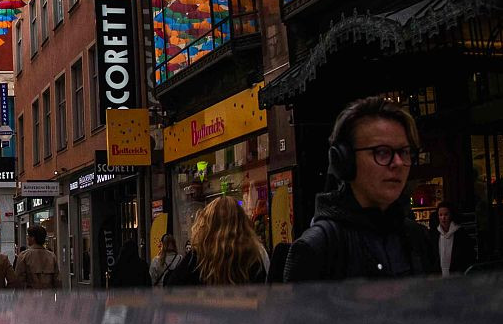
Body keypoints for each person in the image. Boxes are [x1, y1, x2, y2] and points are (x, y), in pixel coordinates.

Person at [285, 96, 440, 282]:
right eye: (382, 152)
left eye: (404, 152)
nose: (398, 163)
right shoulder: (318, 247)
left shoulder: (418, 240)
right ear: (345, 161)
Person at [159, 196, 269, 285]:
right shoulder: (254, 255)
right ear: (243, 223)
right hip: (245, 312)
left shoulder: (198, 256)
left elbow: (173, 285)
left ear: (208, 224)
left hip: (205, 311)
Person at [434, 203, 471, 276]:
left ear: (451, 215)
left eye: (446, 214)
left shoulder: (460, 233)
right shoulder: (436, 234)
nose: (443, 218)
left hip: (457, 276)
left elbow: (467, 254)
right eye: (440, 215)